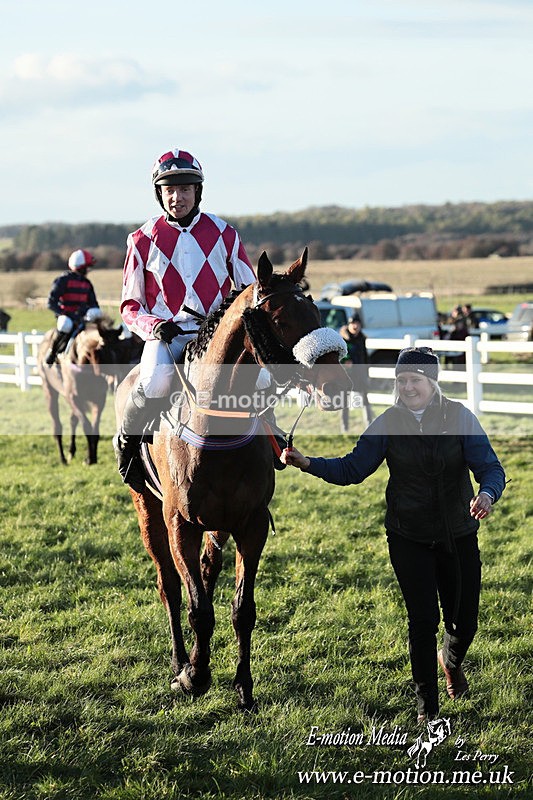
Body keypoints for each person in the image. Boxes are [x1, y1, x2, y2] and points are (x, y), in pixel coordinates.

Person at [280, 346, 505, 722]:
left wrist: (486, 493)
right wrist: (307, 463)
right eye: (401, 380)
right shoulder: (386, 423)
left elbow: (491, 468)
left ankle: (450, 661)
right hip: (408, 536)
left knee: (463, 624)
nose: (407, 387)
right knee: (422, 621)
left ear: (432, 382)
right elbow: (353, 468)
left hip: (459, 534)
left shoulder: (459, 417)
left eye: (415, 380)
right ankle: (427, 710)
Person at [113, 148, 257, 492]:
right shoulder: (141, 240)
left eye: (185, 189)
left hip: (216, 336)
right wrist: (153, 326)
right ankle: (128, 446)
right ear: (159, 193)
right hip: (168, 335)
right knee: (155, 383)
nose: (177, 197)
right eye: (169, 190)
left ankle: (273, 444)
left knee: (262, 380)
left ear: (198, 191)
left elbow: (249, 289)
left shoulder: (225, 233)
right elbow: (130, 306)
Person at [45, 249, 102, 365]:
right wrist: (64, 313)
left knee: (97, 312)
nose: (89, 270)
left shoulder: (87, 283)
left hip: (82, 317)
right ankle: (52, 352)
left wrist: (89, 312)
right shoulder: (63, 280)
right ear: (81, 267)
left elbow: (94, 304)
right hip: (66, 316)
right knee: (65, 325)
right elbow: (51, 302)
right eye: (87, 267)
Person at [339, 313, 373, 430]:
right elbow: (339, 356)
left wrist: (367, 372)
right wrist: (346, 360)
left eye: (357, 324)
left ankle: (369, 425)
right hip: (346, 375)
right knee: (344, 401)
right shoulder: (343, 339)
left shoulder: (362, 339)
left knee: (365, 400)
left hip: (360, 374)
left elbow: (365, 357)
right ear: (348, 325)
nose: (355, 326)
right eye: (352, 324)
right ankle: (345, 427)